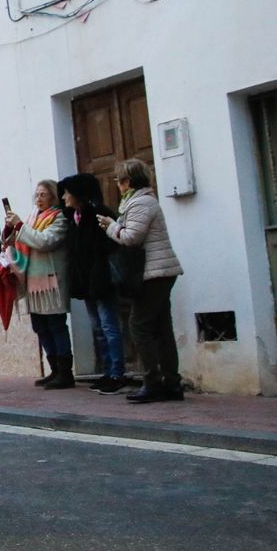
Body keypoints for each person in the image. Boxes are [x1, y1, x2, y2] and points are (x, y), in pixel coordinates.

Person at [106, 158, 185, 403]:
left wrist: (110, 227)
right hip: (159, 271)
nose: (118, 184)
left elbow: (131, 237)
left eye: (119, 180)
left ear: (129, 181)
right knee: (161, 328)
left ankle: (153, 382)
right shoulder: (140, 201)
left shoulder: (141, 202)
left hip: (153, 272)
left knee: (138, 326)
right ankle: (171, 383)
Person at [58, 172, 126, 394]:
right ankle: (107, 371)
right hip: (87, 283)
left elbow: (109, 246)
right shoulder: (73, 218)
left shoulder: (99, 215)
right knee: (98, 327)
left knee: (108, 325)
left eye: (68, 192)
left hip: (102, 280)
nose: (64, 196)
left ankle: (117, 372)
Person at [4, 180, 74, 389]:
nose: (39, 199)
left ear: (53, 196)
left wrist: (20, 226)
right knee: (40, 327)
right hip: (34, 282)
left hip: (51, 282)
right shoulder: (33, 219)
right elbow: (17, 241)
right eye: (37, 195)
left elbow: (44, 241)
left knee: (56, 326)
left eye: (43, 195)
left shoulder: (59, 218)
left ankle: (65, 372)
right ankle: (53, 369)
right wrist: (10, 229)